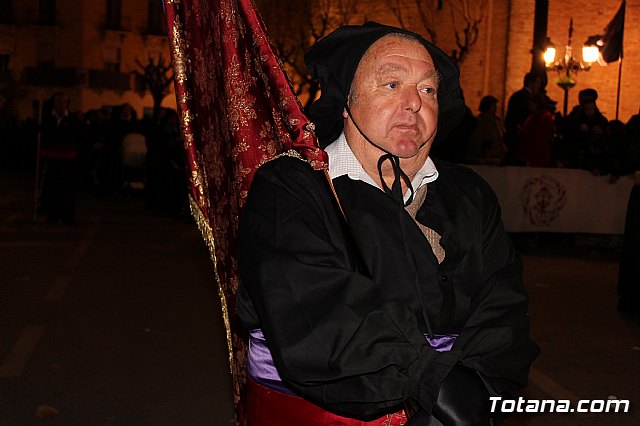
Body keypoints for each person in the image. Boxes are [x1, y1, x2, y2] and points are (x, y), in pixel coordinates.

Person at [237, 22, 539, 425]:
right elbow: (319, 315)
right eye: (392, 84)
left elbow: (504, 310)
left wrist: (479, 390)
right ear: (347, 101)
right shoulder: (292, 188)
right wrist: (434, 383)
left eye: (428, 89)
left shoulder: (469, 193)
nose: (414, 102)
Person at [504, 72, 543, 163]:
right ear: (530, 83)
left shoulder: (517, 96)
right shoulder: (523, 97)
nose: (539, 86)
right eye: (537, 83)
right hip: (521, 138)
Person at [466, 95, 506, 165]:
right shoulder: (483, 122)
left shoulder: (493, 121)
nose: (496, 109)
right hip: (486, 158)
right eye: (494, 106)